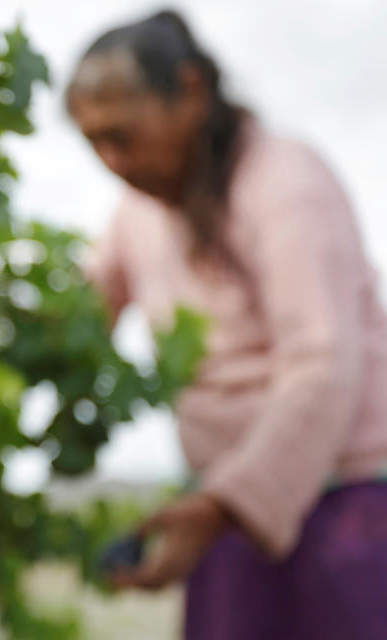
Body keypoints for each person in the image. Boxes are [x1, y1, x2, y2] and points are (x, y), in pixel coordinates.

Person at [67, 9, 387, 640]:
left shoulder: (285, 182)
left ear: (191, 91)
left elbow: (321, 363)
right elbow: (75, 315)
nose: (112, 161)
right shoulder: (140, 210)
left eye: (123, 136)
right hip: (229, 508)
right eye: (94, 142)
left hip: (345, 505)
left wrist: (224, 505)